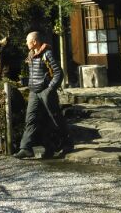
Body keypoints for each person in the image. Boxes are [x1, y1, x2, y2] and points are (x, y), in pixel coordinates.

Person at [13, 31, 73, 159]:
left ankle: (66, 143)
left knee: (54, 118)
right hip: (34, 92)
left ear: (34, 42)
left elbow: (59, 73)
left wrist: (50, 89)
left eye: (27, 41)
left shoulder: (47, 53)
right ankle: (26, 148)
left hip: (46, 91)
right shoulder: (31, 54)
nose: (26, 43)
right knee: (30, 119)